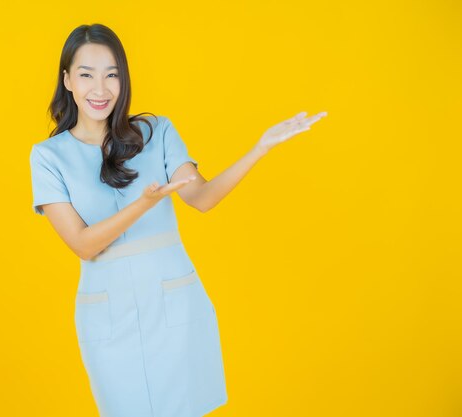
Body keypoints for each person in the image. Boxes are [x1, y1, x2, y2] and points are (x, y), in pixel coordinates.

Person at [30, 23, 327, 417]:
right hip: (108, 314)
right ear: (67, 80)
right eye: (86, 75)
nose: (100, 89)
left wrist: (259, 149)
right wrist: (144, 203)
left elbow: (201, 198)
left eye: (112, 74)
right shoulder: (48, 157)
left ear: (124, 79)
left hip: (175, 304)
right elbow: (83, 245)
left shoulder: (156, 132)